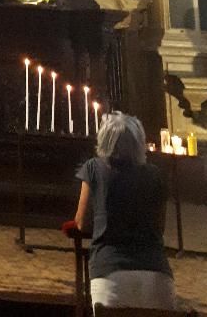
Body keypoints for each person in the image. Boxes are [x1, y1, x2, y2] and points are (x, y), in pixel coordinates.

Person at [73, 112, 175, 311]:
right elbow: (159, 226)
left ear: (104, 139)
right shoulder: (154, 175)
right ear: (139, 142)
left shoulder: (94, 168)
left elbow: (81, 223)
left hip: (110, 272)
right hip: (157, 274)